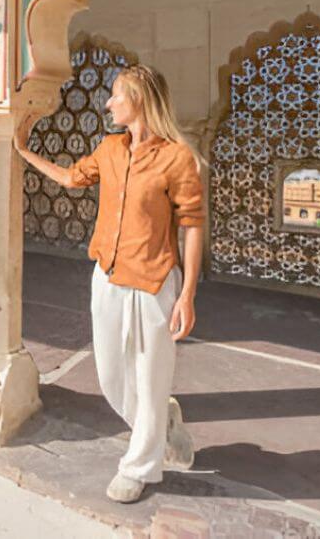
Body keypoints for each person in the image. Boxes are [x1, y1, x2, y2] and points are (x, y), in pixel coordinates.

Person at [13, 64, 204, 503]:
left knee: (151, 377)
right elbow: (70, 177)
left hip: (155, 283)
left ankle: (139, 466)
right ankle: (161, 425)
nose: (109, 103)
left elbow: (193, 226)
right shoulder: (110, 149)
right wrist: (24, 152)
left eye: (116, 95)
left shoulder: (176, 158)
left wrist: (188, 294)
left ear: (139, 99)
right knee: (112, 376)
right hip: (108, 276)